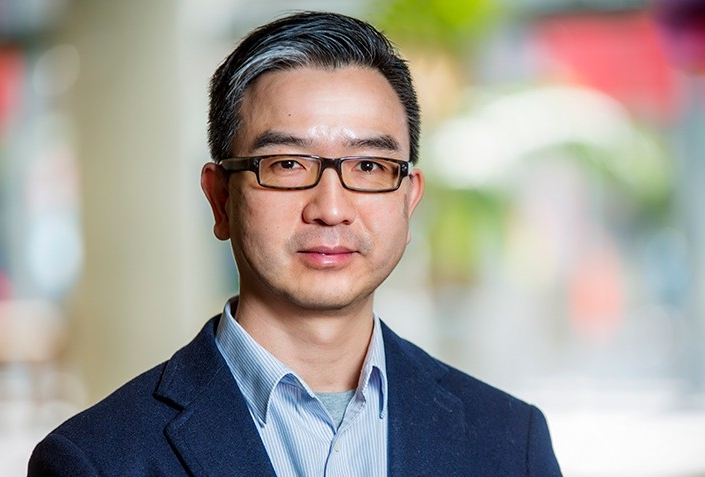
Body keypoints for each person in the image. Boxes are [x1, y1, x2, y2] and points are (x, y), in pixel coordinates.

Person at [28, 11, 562, 477]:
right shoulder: (94, 461)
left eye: (370, 166)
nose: (330, 208)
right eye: (286, 164)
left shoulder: (512, 443)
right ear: (220, 199)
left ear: (409, 199)